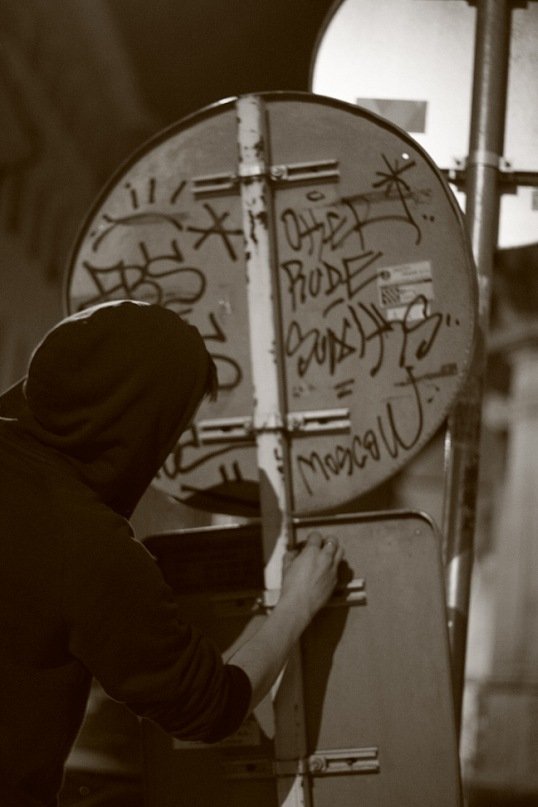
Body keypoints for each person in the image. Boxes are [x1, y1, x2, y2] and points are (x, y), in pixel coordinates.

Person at [0, 300, 343, 807]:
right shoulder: (87, 547)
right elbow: (211, 707)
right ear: (136, 426)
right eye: (170, 433)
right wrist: (298, 602)